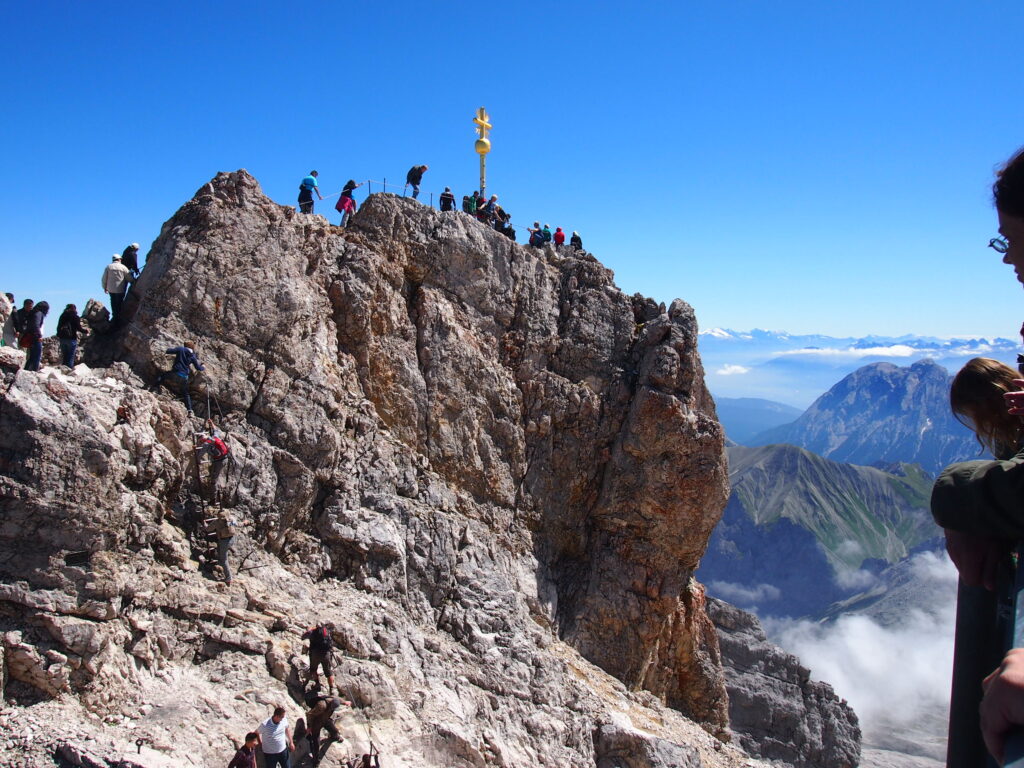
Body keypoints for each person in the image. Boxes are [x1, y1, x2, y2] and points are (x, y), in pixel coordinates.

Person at [155, 342, 205, 415]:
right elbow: (198, 368)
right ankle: (190, 410)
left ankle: (155, 389)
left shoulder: (181, 349)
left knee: (162, 376)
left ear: (185, 346)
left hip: (175, 373)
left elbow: (169, 351)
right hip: (184, 377)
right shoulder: (192, 356)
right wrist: (203, 367)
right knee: (185, 393)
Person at [303, 685, 349, 762]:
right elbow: (309, 715)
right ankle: (316, 759)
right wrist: (309, 726)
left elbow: (339, 700)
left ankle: (334, 736)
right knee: (316, 742)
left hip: (325, 718)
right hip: (317, 721)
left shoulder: (334, 700)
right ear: (331, 704)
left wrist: (345, 702)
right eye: (332, 707)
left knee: (334, 731)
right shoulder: (322, 705)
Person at [301, 624, 336, 693]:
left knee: (313, 669)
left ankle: (317, 684)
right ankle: (332, 688)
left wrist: (310, 630)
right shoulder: (326, 631)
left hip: (315, 653)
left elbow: (303, 637)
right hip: (326, 654)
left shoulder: (313, 631)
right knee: (328, 671)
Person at [102, 254, 131, 327]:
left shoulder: (108, 267)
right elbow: (128, 277)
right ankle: (118, 319)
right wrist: (134, 281)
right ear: (119, 259)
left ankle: (115, 318)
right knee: (119, 303)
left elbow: (104, 278)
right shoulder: (123, 267)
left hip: (111, 289)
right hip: (120, 289)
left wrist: (104, 287)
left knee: (113, 303)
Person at [21, 301, 49, 371]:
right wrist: (39, 336)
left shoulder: (33, 312)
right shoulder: (39, 313)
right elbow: (36, 325)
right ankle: (34, 371)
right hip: (36, 338)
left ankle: (26, 370)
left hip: (31, 336)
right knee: (36, 357)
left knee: (32, 356)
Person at [56, 304, 84, 369]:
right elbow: (79, 328)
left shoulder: (63, 316)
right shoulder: (75, 317)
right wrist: (86, 331)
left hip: (62, 338)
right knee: (70, 356)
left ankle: (63, 370)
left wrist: (59, 335)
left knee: (65, 355)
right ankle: (68, 370)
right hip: (72, 339)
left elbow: (58, 327)